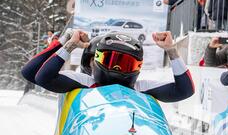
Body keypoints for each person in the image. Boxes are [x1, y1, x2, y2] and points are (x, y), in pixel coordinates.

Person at [23, 30, 195, 103]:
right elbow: (36, 75)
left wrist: (172, 51)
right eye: (111, 61)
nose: (117, 69)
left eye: (125, 64)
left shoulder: (140, 88)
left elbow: (185, 90)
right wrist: (65, 44)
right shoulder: (84, 81)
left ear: (138, 67)